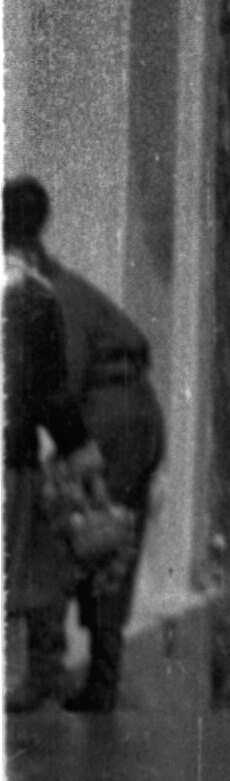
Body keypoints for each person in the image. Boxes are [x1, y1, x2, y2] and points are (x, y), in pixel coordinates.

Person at [2, 180, 165, 715]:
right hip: (134, 416)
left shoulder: (46, 295)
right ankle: (98, 676)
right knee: (107, 540)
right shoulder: (61, 286)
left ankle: (48, 671)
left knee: (57, 524)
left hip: (110, 419)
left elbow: (56, 389)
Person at [4, 191, 102, 714]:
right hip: (12, 455)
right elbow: (50, 390)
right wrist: (80, 453)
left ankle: (38, 671)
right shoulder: (32, 294)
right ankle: (39, 671)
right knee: (27, 561)